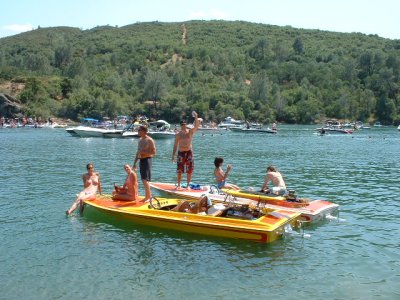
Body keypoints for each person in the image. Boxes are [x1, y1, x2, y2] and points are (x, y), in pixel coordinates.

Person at [172, 111, 200, 189]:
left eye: (184, 124)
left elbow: (196, 126)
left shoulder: (190, 132)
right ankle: (178, 185)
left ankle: (188, 185)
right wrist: (173, 156)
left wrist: (196, 117)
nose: (183, 126)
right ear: (180, 126)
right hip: (181, 152)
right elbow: (175, 145)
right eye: (182, 125)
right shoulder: (178, 134)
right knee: (179, 170)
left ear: (186, 125)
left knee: (189, 169)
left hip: (189, 152)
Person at [133, 125, 156, 202]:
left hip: (147, 159)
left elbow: (154, 152)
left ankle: (148, 197)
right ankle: (148, 196)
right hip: (141, 160)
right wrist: (135, 163)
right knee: (143, 179)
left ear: (144, 131)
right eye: (138, 130)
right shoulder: (140, 140)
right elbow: (138, 152)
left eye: (139, 130)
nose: (138, 131)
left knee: (145, 179)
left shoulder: (149, 140)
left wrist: (144, 152)